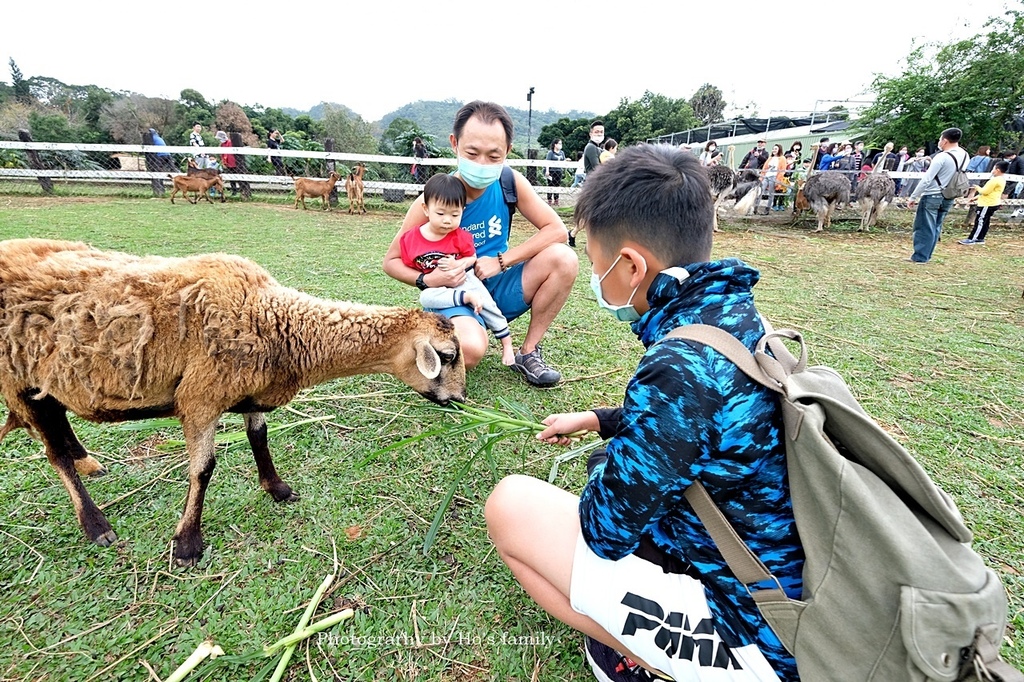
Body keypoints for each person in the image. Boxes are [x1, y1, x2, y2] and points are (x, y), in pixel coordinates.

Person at [485, 143, 802, 682]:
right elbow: (703, 423)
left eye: (596, 262)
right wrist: (600, 420)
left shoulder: (679, 364)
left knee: (509, 506)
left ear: (631, 265)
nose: (595, 280)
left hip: (757, 633)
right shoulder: (737, 315)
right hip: (785, 572)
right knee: (610, 463)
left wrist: (611, 463)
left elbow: (605, 531)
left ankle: (650, 661)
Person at [382, 100, 578, 386]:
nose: (482, 164)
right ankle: (433, 337)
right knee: (470, 351)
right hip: (456, 295)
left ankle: (528, 352)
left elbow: (556, 230)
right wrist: (428, 279)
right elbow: (391, 262)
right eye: (472, 153)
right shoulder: (432, 202)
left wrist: (502, 261)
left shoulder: (510, 182)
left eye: (493, 155)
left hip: (497, 287)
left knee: (564, 259)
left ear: (507, 152)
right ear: (455, 144)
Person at [400, 174, 516, 365]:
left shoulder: (461, 236)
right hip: (437, 288)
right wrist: (429, 278)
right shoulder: (410, 239)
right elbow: (409, 266)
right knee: (424, 297)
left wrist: (459, 264)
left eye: (455, 215)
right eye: (441, 214)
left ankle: (506, 342)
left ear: (462, 211)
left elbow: (471, 257)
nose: (447, 220)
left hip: (465, 280)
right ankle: (463, 300)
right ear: (426, 209)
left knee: (487, 304)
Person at [907, 127, 969, 263]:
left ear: (945, 141)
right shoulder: (965, 155)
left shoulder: (942, 157)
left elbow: (927, 179)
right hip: (949, 195)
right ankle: (927, 254)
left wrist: (913, 196)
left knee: (924, 226)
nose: (939, 142)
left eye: (940, 139)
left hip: (933, 194)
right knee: (936, 225)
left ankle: (921, 256)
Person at [960, 159, 1008, 245]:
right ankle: (980, 238)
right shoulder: (1002, 179)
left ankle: (973, 238)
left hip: (987, 204)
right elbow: (990, 192)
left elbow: (984, 191)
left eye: (993, 168)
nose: (992, 170)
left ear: (997, 170)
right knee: (985, 221)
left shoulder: (995, 180)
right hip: (992, 202)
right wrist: (975, 198)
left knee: (980, 221)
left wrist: (977, 187)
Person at [760, 144, 789, 212]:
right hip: (766, 176)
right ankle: (755, 207)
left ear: (779, 150)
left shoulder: (782, 158)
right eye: (773, 149)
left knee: (771, 193)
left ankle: (767, 209)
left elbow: (782, 170)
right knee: (760, 191)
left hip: (774, 177)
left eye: (776, 149)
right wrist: (761, 177)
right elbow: (764, 168)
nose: (774, 150)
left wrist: (778, 180)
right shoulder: (770, 158)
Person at [545, 138, 566, 206]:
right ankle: (549, 200)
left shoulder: (562, 153)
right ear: (555, 144)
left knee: (557, 185)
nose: (560, 145)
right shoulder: (550, 153)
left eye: (561, 144)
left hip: (559, 171)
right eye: (559, 143)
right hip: (551, 171)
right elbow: (547, 162)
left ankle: (556, 200)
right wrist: (547, 171)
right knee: (550, 185)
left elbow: (563, 160)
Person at [216, 130, 238, 196]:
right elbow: (223, 154)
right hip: (227, 163)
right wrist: (223, 162)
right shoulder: (222, 144)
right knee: (230, 178)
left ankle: (237, 190)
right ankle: (233, 190)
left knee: (235, 176)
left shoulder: (230, 143)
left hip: (233, 162)